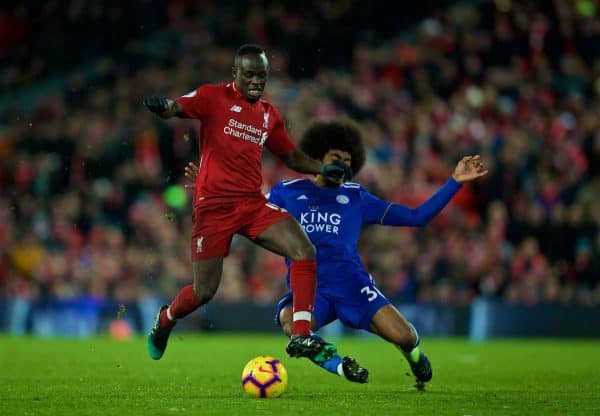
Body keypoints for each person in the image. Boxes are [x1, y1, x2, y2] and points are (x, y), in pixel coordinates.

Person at [186, 119, 487, 386]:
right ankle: (342, 367)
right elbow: (245, 213)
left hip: (353, 287)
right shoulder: (286, 193)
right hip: (311, 291)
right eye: (335, 158)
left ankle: (414, 355)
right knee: (292, 326)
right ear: (317, 158)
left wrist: (454, 182)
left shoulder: (356, 197)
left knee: (405, 336)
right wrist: (211, 188)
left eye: (347, 160)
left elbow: (417, 217)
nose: (342, 164)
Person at [143, 44, 347, 363]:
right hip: (213, 208)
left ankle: (301, 334)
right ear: (235, 73)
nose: (256, 81)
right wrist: (164, 107)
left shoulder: (269, 115)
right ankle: (166, 319)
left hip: (252, 204)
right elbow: (178, 107)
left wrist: (322, 169)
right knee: (203, 291)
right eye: (249, 74)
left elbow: (290, 155)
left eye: (261, 75)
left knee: (304, 250)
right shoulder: (214, 97)